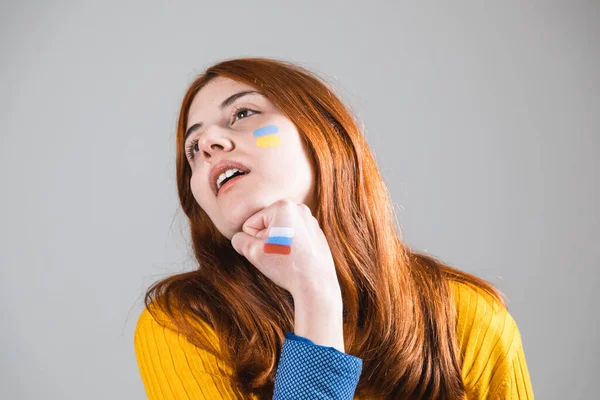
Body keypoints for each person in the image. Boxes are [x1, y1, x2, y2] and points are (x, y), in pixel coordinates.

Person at [133, 57, 534, 399]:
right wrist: (316, 299)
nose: (207, 145)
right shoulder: (182, 324)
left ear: (323, 135)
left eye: (243, 113)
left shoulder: (468, 317)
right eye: (192, 148)